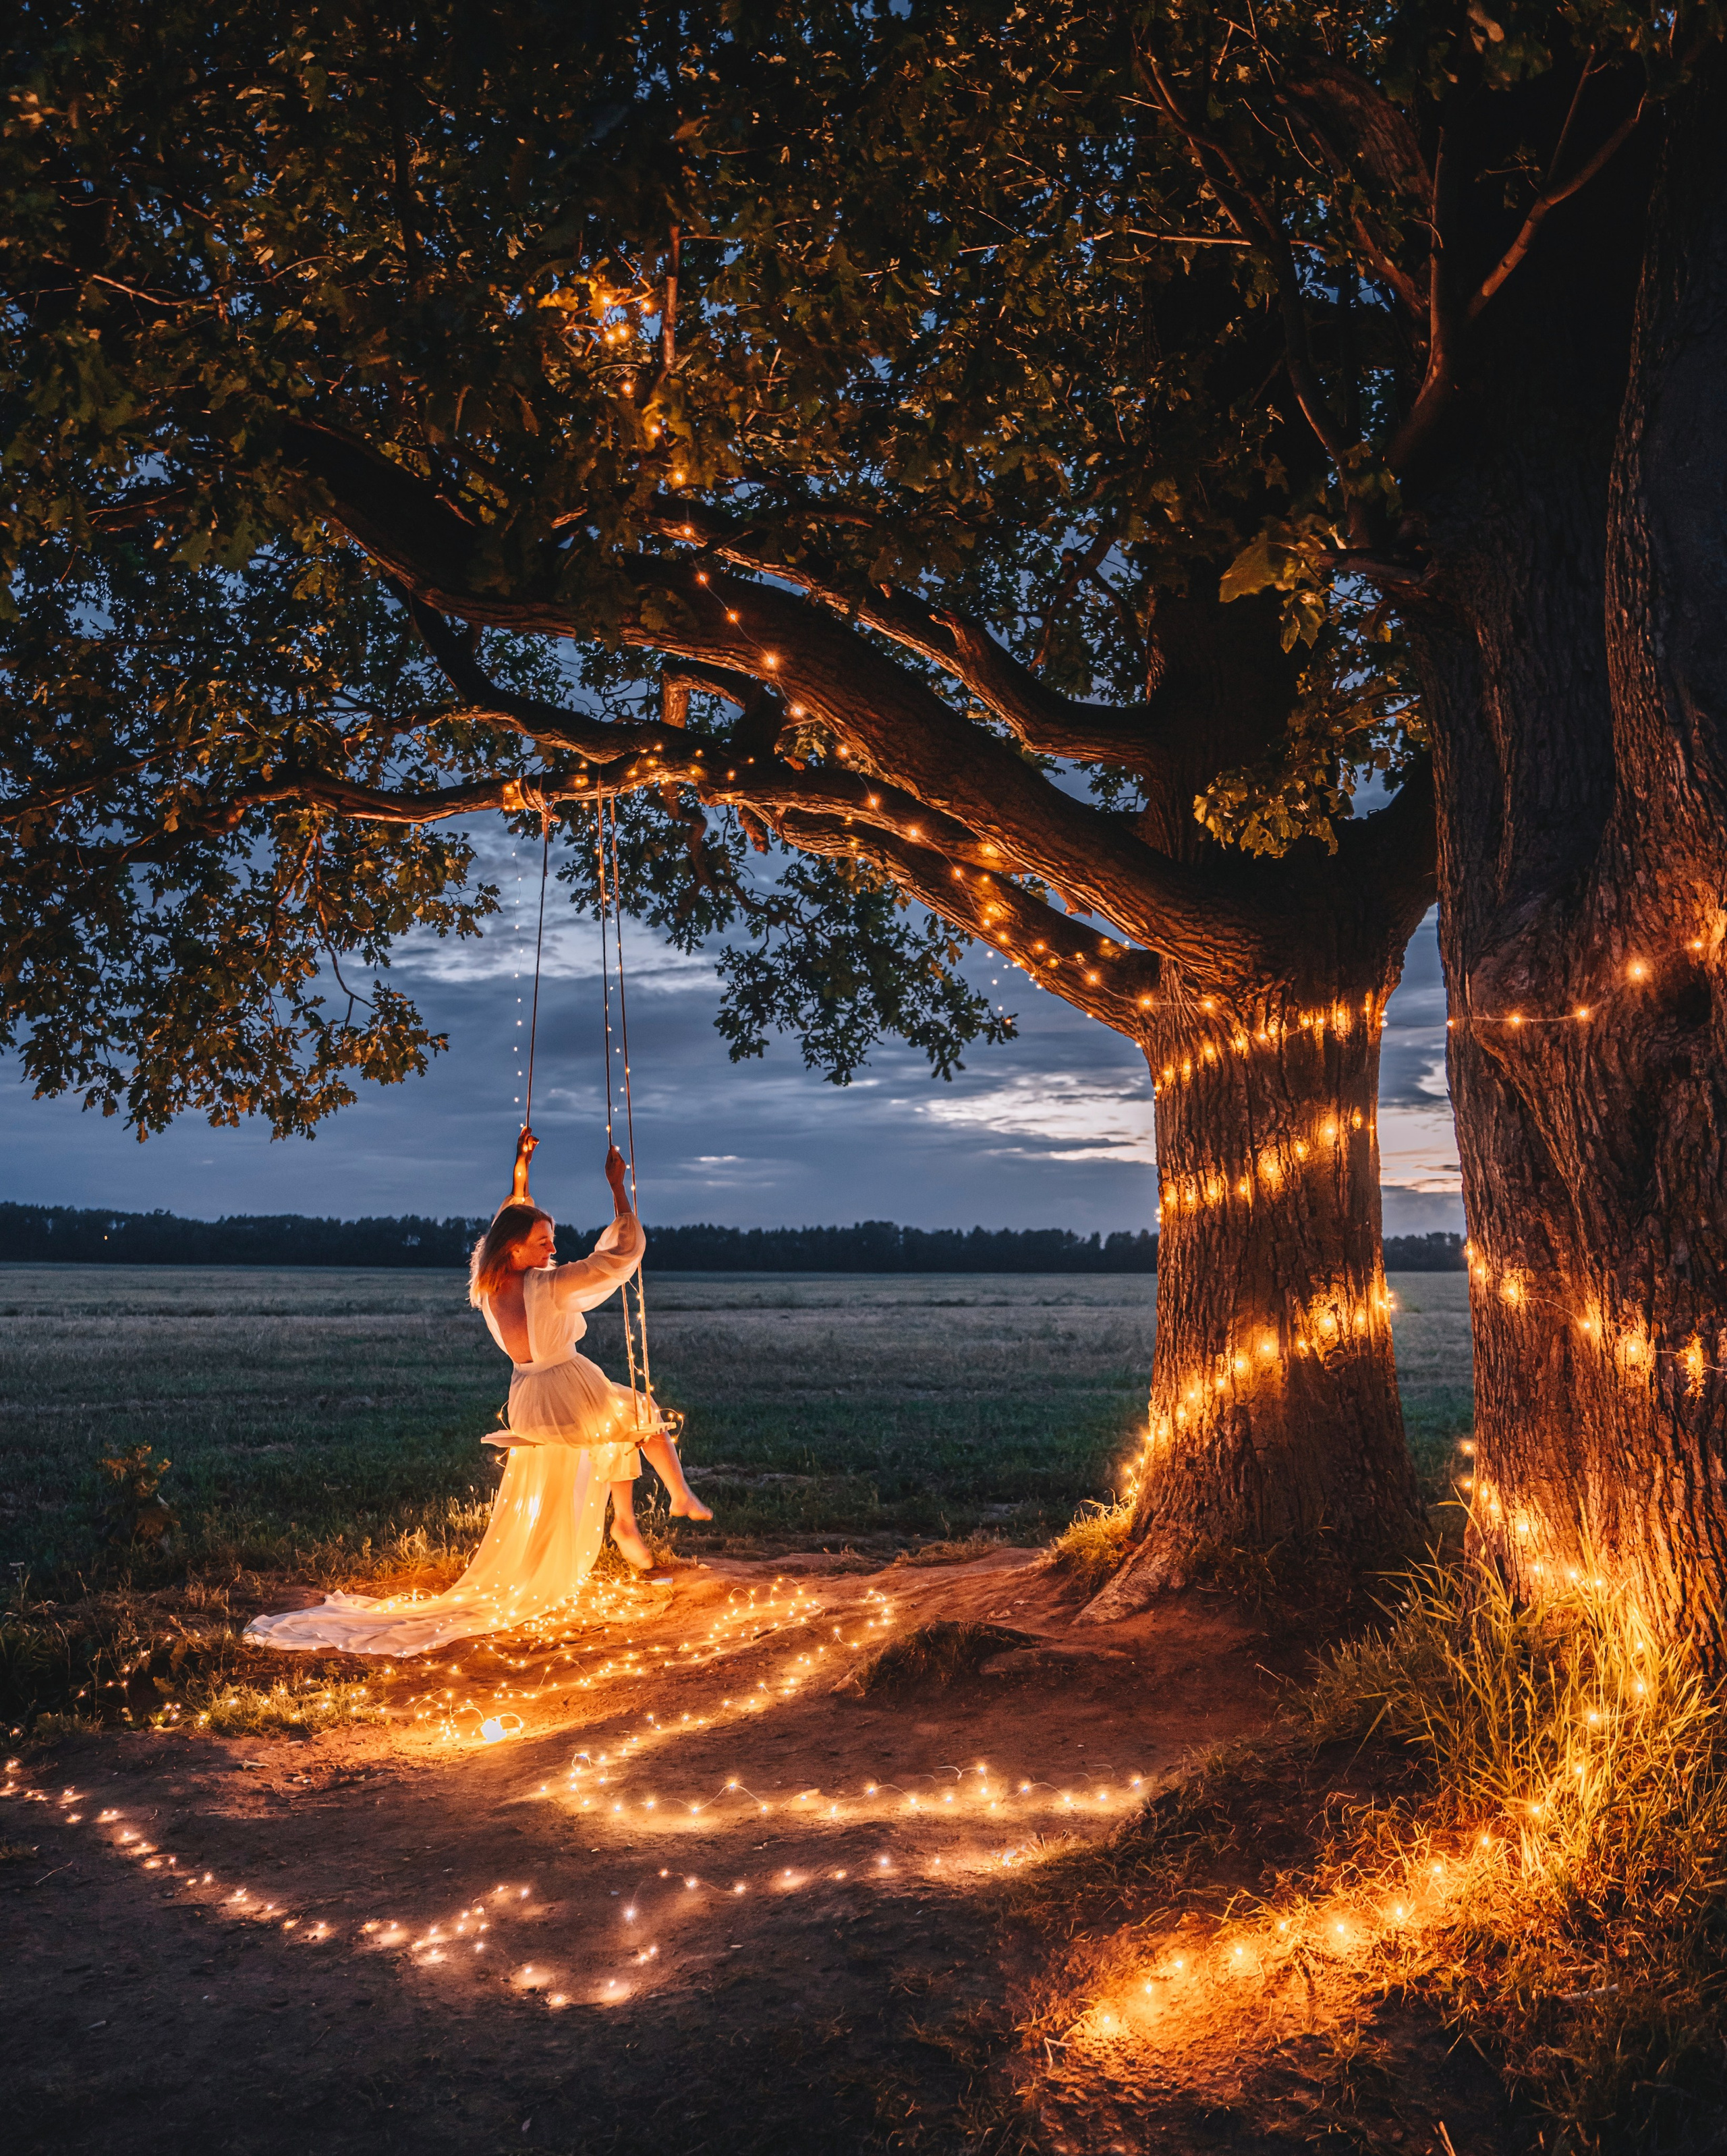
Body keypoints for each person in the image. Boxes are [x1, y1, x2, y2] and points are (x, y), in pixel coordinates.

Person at [246, 1146, 710, 1657]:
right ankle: (673, 1495)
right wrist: (619, 1190)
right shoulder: (548, 1286)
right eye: (543, 1242)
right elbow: (616, 1259)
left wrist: (522, 1170)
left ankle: (626, 1521)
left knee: (612, 1421)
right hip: (566, 1386)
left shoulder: (488, 1285)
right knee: (639, 1413)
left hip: (529, 1397)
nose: (552, 1249)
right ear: (515, 1250)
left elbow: (504, 1223)